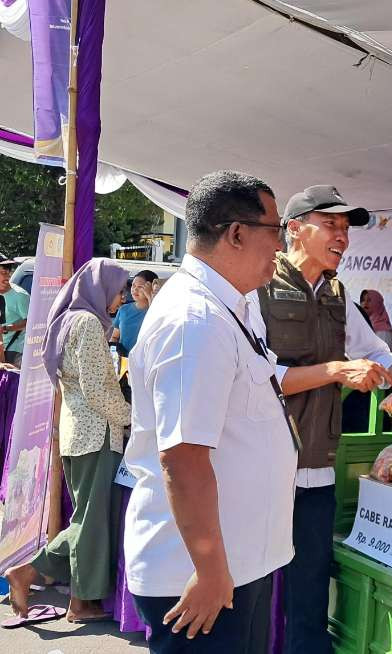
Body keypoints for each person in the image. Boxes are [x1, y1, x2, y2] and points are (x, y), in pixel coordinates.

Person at [122, 171, 298, 653]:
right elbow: (183, 458)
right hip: (201, 577)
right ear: (237, 234)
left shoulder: (230, 306)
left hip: (236, 563)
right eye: (276, 231)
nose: (281, 246)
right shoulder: (193, 321)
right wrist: (210, 569)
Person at [255, 184, 392, 654]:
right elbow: (254, 375)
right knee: (250, 583)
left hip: (316, 465)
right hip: (262, 464)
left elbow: (373, 349)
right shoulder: (257, 285)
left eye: (345, 228)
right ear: (295, 229)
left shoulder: (336, 292)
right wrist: (334, 371)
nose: (342, 237)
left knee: (310, 580)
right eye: (330, 225)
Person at [3, 258, 131, 624]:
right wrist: (131, 417)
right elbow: (96, 388)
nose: (120, 298)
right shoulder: (88, 324)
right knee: (90, 522)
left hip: (77, 431)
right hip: (96, 433)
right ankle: (73, 598)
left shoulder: (68, 320)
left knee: (86, 519)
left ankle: (46, 581)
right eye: (118, 289)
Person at [110, 270, 158, 356]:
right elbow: (115, 337)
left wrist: (150, 296)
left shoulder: (156, 311)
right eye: (133, 285)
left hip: (144, 361)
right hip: (124, 362)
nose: (135, 289)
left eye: (140, 287)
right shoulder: (123, 309)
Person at [358, 289, 392, 359]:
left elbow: (381, 358)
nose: (364, 303)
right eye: (362, 300)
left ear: (377, 303)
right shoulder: (364, 326)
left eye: (369, 300)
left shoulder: (383, 331)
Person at [0, 260, 30, 367]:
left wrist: (7, 328)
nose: (7, 276)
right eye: (3, 273)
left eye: (8, 272)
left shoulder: (20, 295)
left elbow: (30, 322)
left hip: (14, 352)